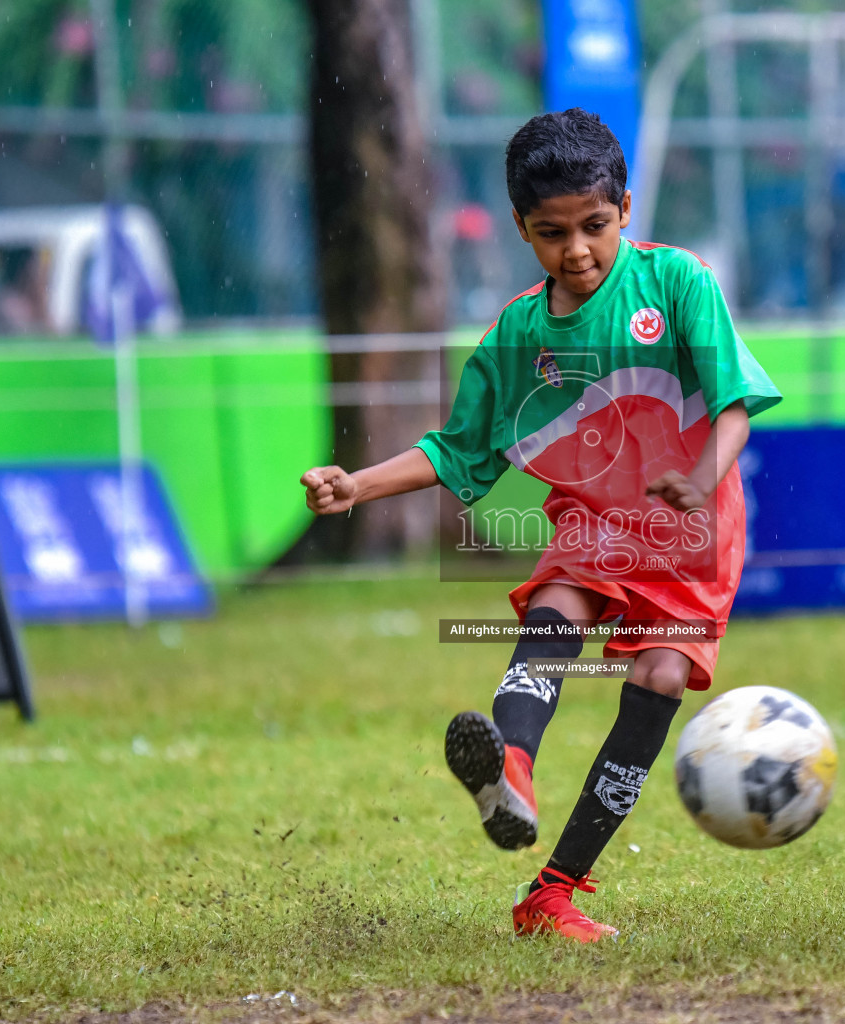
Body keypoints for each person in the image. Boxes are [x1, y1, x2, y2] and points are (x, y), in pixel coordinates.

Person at [301, 108, 780, 937]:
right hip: (594, 523)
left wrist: (702, 477)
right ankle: (509, 771)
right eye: (552, 233)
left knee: (659, 681)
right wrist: (358, 487)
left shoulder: (678, 283)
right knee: (557, 609)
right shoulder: (518, 337)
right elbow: (458, 452)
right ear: (523, 229)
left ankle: (551, 894)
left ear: (625, 209)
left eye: (595, 226)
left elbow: (735, 404)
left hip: (692, 534)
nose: (578, 251)